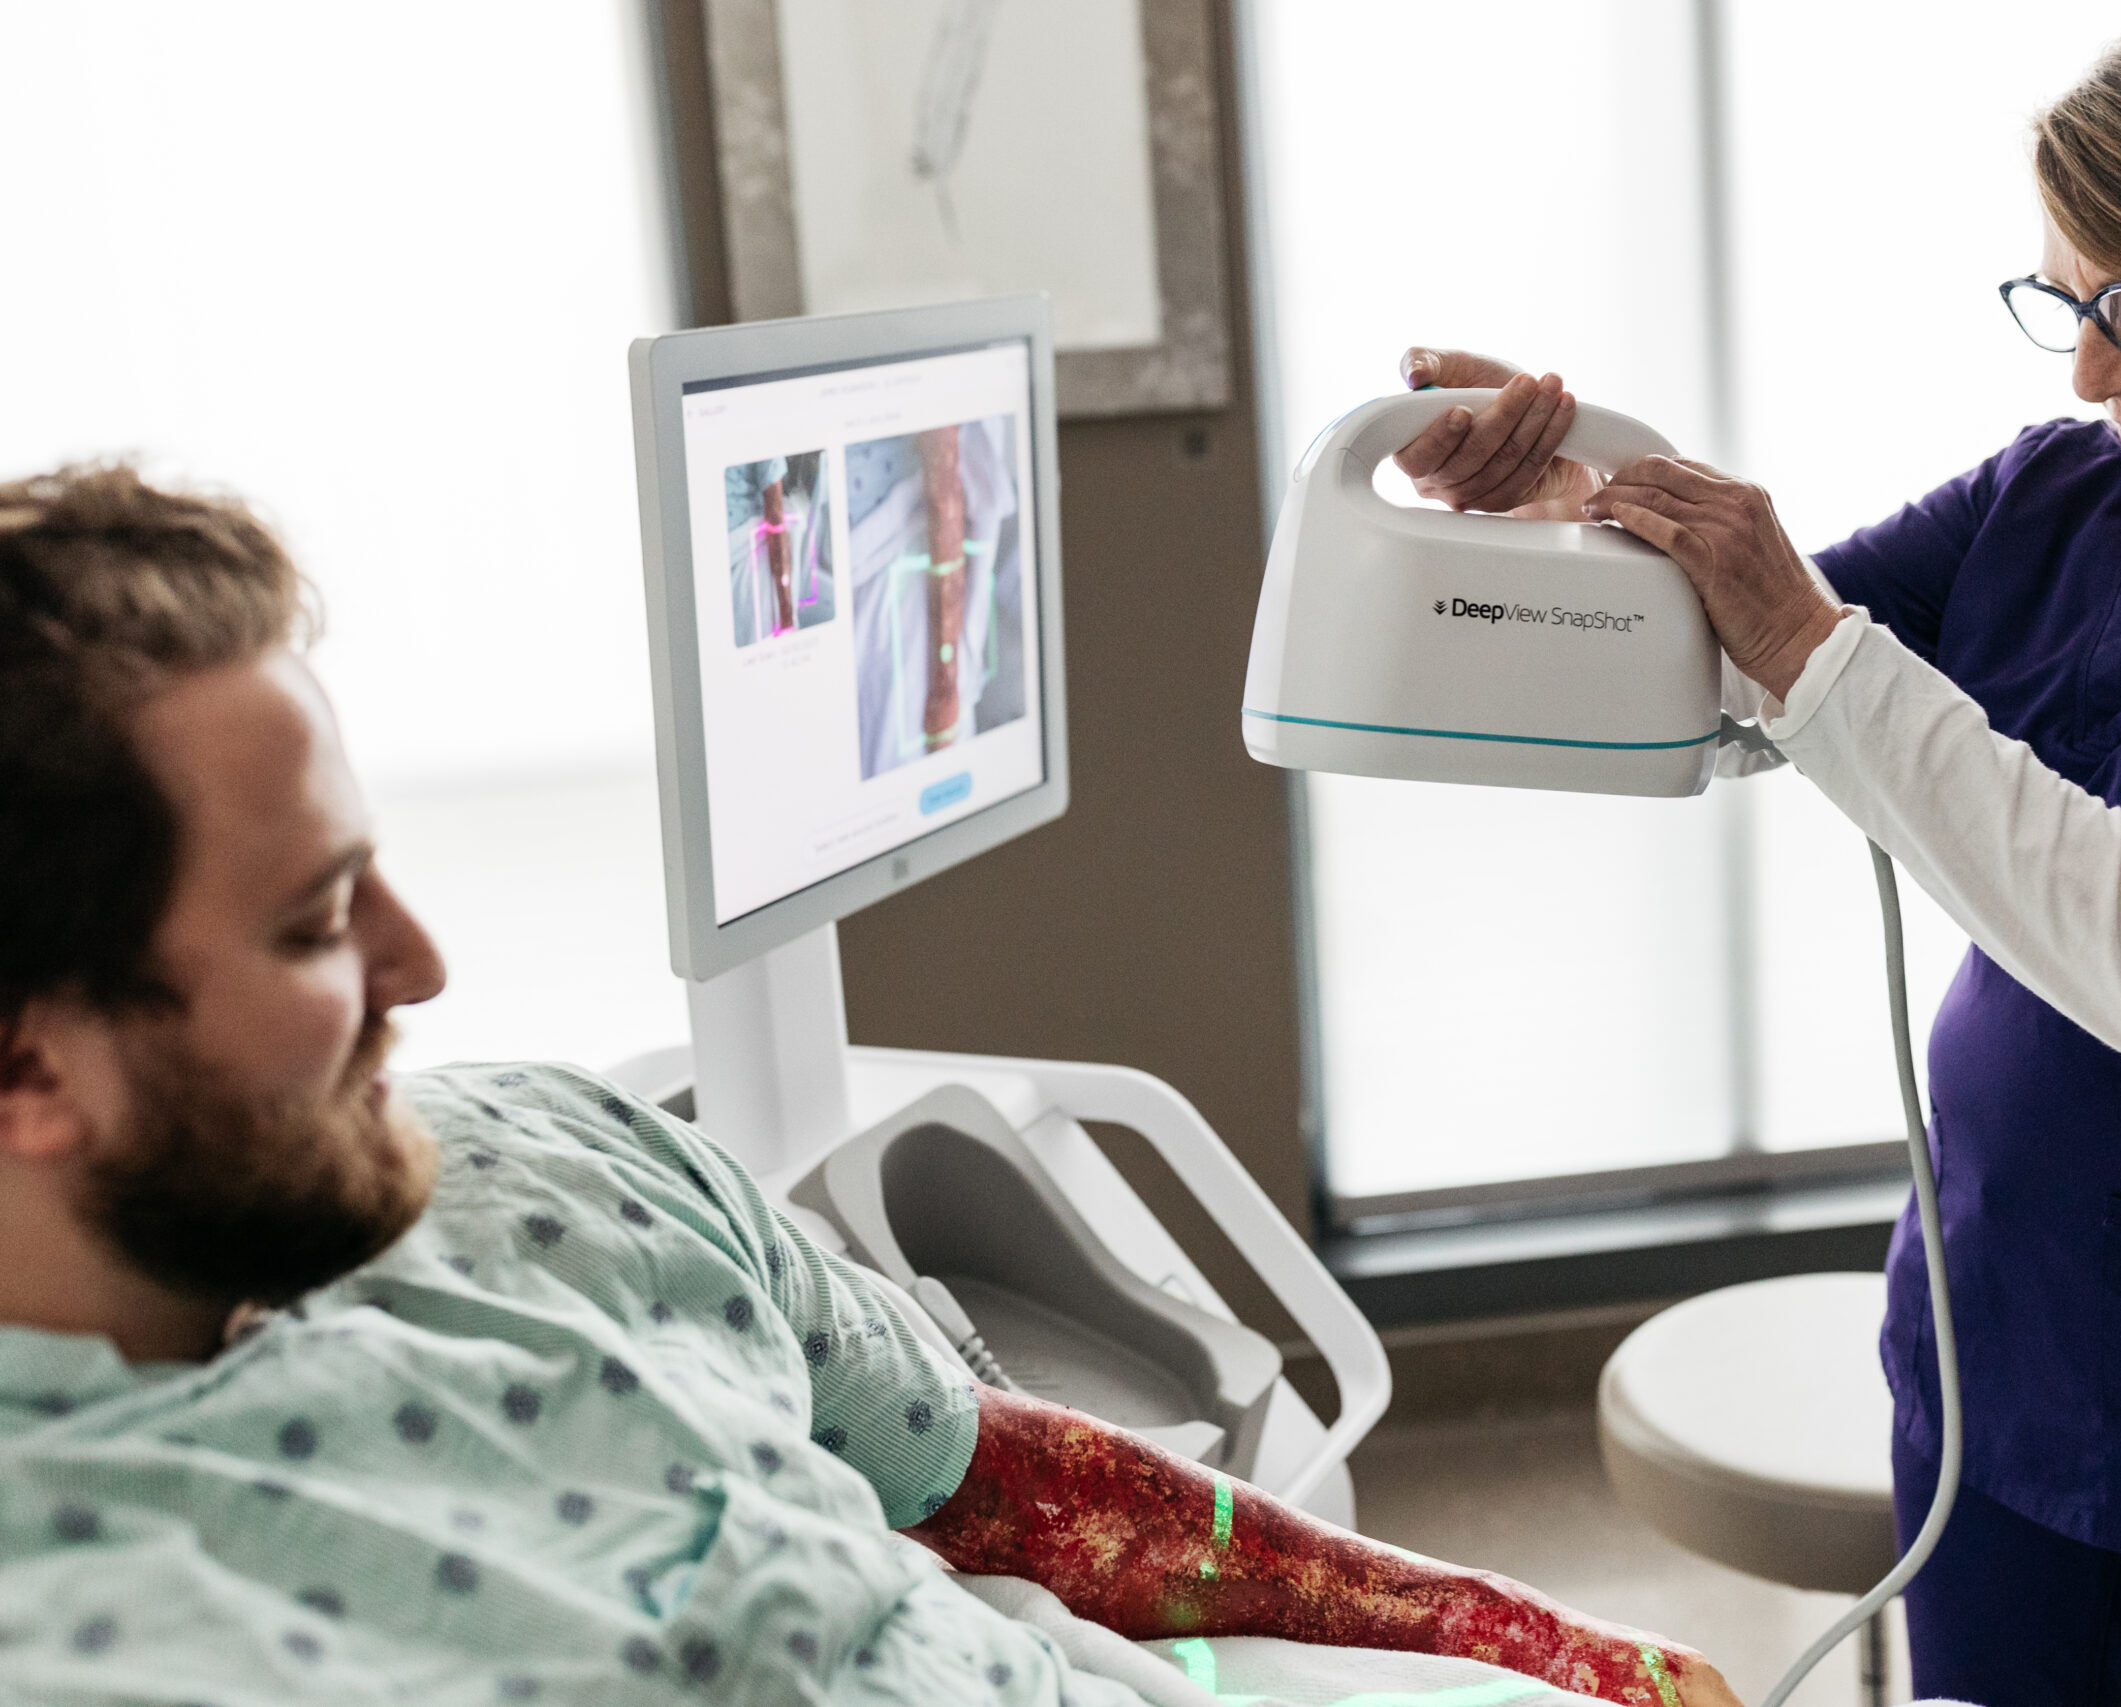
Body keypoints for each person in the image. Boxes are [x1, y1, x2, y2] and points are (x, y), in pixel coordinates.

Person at [0, 464, 1738, 1706]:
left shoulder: (553, 1167)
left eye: (372, 870)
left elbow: (1008, 1488)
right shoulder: (98, 1620)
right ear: (28, 1065)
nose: (423, 966)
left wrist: (1555, 1650)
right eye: (315, 925)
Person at [1396, 1, 2121, 1700]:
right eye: (2070, 305)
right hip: (2002, 1358)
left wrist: (1798, 638)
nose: (2094, 371)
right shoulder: (2056, 500)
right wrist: (1579, 494)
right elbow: (1719, 670)